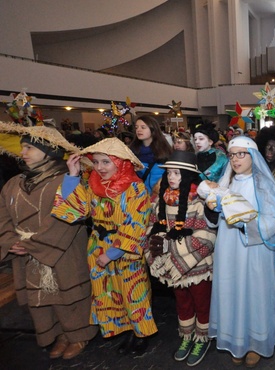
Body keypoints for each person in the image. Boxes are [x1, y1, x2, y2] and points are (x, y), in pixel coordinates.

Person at [52, 137, 158, 355]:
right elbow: (75, 211)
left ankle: (142, 334)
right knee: (109, 292)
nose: (99, 167)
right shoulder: (93, 184)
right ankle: (128, 330)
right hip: (97, 247)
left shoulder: (135, 188)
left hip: (124, 250)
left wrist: (112, 254)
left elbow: (137, 225)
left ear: (121, 163)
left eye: (106, 162)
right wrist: (72, 175)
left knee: (132, 292)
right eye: (97, 162)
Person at [0, 123, 97, 360]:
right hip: (27, 253)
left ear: (49, 151)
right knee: (41, 300)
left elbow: (71, 215)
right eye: (23, 147)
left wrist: (33, 245)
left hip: (61, 251)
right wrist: (8, 240)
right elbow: (2, 215)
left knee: (67, 296)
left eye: (29, 148)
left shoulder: (66, 180)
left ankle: (78, 335)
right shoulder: (13, 183)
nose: (23, 152)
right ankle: (60, 335)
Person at [198, 136, 275, 367]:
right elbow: (216, 218)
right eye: (232, 154)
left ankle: (256, 342)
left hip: (255, 249)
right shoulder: (225, 181)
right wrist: (213, 210)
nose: (236, 159)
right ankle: (236, 340)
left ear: (252, 156)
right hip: (229, 247)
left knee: (255, 292)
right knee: (232, 289)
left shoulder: (264, 185)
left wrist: (243, 222)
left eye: (241, 154)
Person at [145, 151, 217, 366]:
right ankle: (187, 336)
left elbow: (207, 237)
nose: (171, 177)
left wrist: (171, 246)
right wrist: (156, 242)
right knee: (183, 302)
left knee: (202, 303)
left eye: (177, 173)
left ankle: (202, 338)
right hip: (173, 266)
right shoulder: (162, 201)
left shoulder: (198, 202)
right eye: (169, 173)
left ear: (187, 176)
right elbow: (152, 226)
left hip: (198, 267)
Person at [129, 115, 173, 195]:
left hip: (156, 198)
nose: (138, 130)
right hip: (137, 198)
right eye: (136, 127)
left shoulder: (163, 152)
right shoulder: (131, 151)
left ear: (153, 129)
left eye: (143, 127)